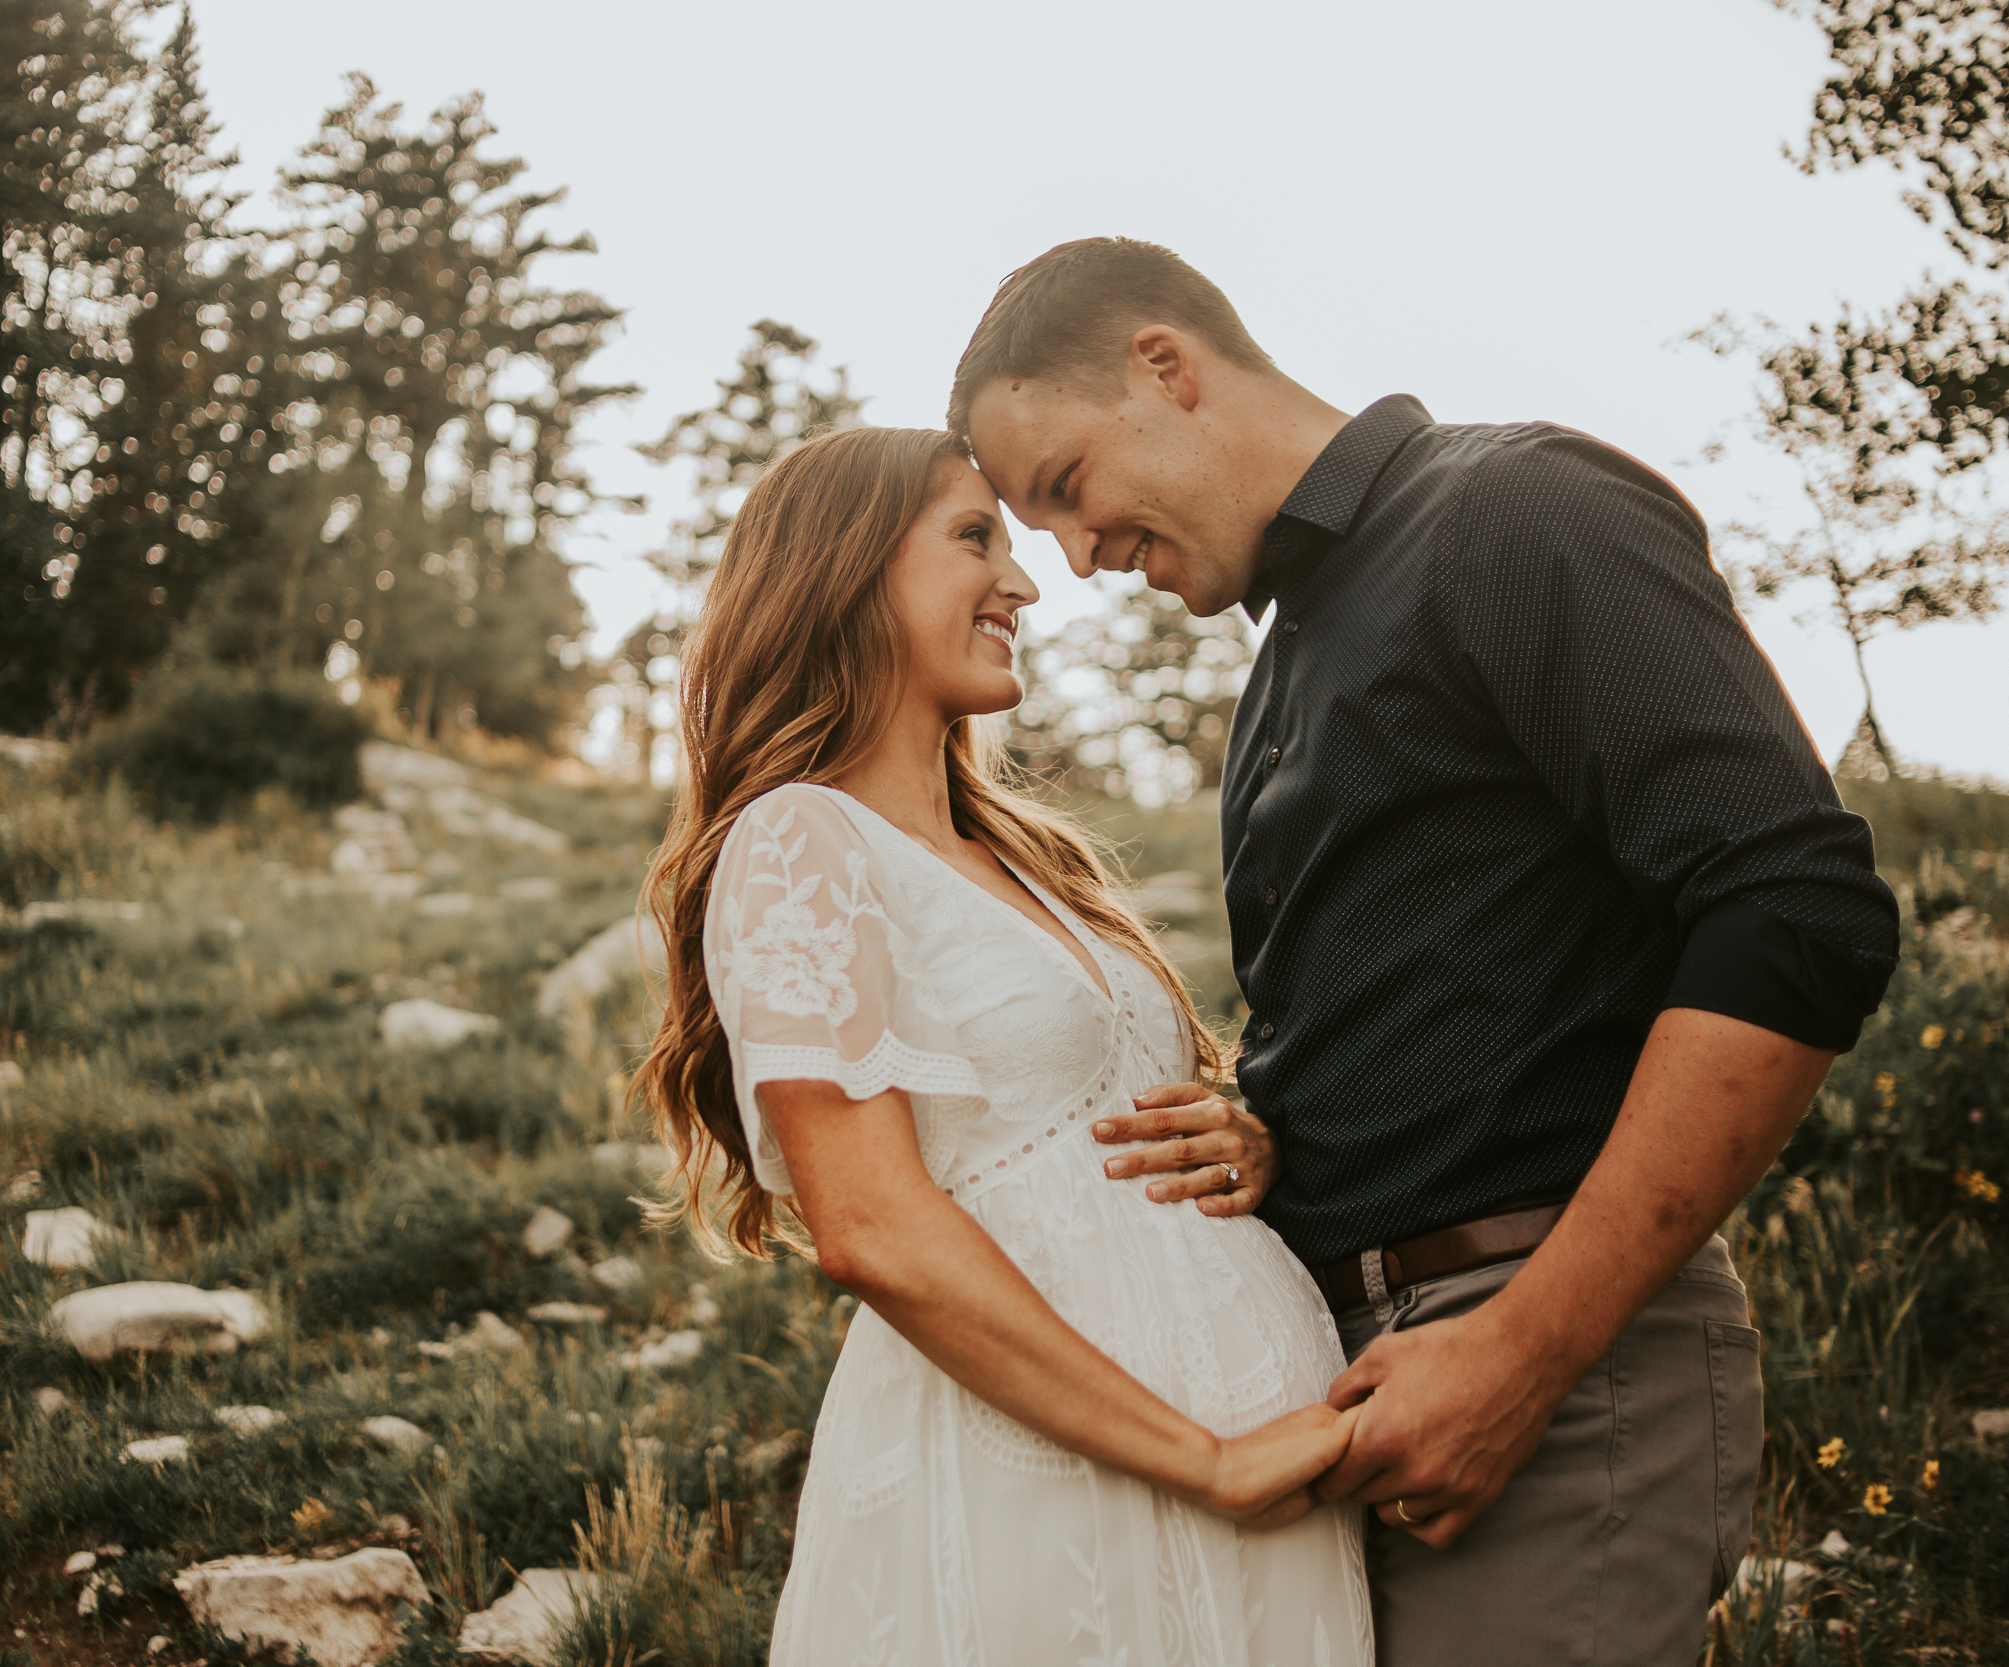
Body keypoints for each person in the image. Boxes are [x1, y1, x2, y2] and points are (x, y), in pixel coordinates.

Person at [948, 236, 1900, 1665]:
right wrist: (1270, 1127)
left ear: (1165, 365)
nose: (1077, 559)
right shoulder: (1284, 662)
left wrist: (1525, 1348)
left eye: (1068, 486)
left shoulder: (1513, 508)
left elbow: (1795, 909)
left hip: (1537, 1355)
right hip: (1354, 1380)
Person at [634, 424, 1375, 1665]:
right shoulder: (800, 839)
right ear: (845, 567)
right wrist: (1205, 1455)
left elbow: (1101, 1115)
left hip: (1256, 1487)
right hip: (1053, 1482)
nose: (1022, 583)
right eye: (974, 537)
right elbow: (871, 1227)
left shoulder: (1029, 860)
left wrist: (1241, 1138)